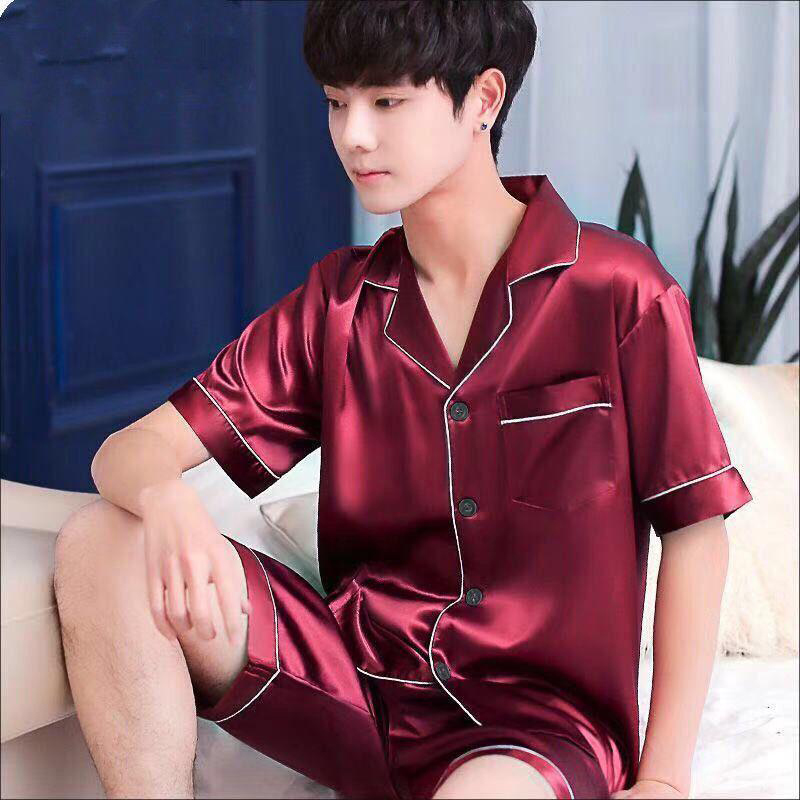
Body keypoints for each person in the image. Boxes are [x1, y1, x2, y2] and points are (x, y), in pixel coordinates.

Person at [53, 2, 753, 799]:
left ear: (483, 98)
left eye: (387, 101)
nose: (354, 135)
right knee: (102, 539)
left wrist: (662, 781)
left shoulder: (619, 291)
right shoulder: (337, 304)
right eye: (336, 101)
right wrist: (164, 497)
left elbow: (696, 530)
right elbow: (128, 452)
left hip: (537, 734)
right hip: (350, 688)